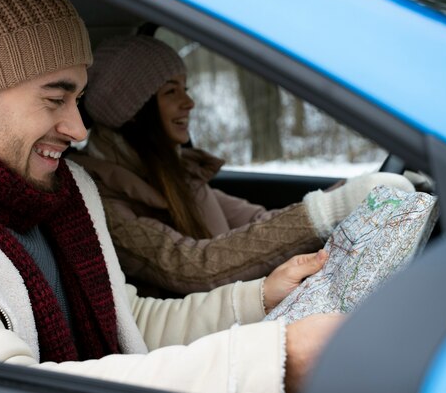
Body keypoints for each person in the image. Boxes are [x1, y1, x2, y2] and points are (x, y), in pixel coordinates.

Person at [0, 0, 343, 393]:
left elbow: (129, 326)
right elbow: (6, 385)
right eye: (55, 98)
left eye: (80, 98)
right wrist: (273, 362)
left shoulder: (66, 193)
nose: (78, 129)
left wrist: (259, 298)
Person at [70, 35, 415, 296]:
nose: (189, 102)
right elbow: (192, 265)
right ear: (132, 110)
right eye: (171, 92)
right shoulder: (100, 199)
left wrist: (350, 193)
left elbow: (258, 224)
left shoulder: (180, 174)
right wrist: (326, 211)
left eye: (186, 89)